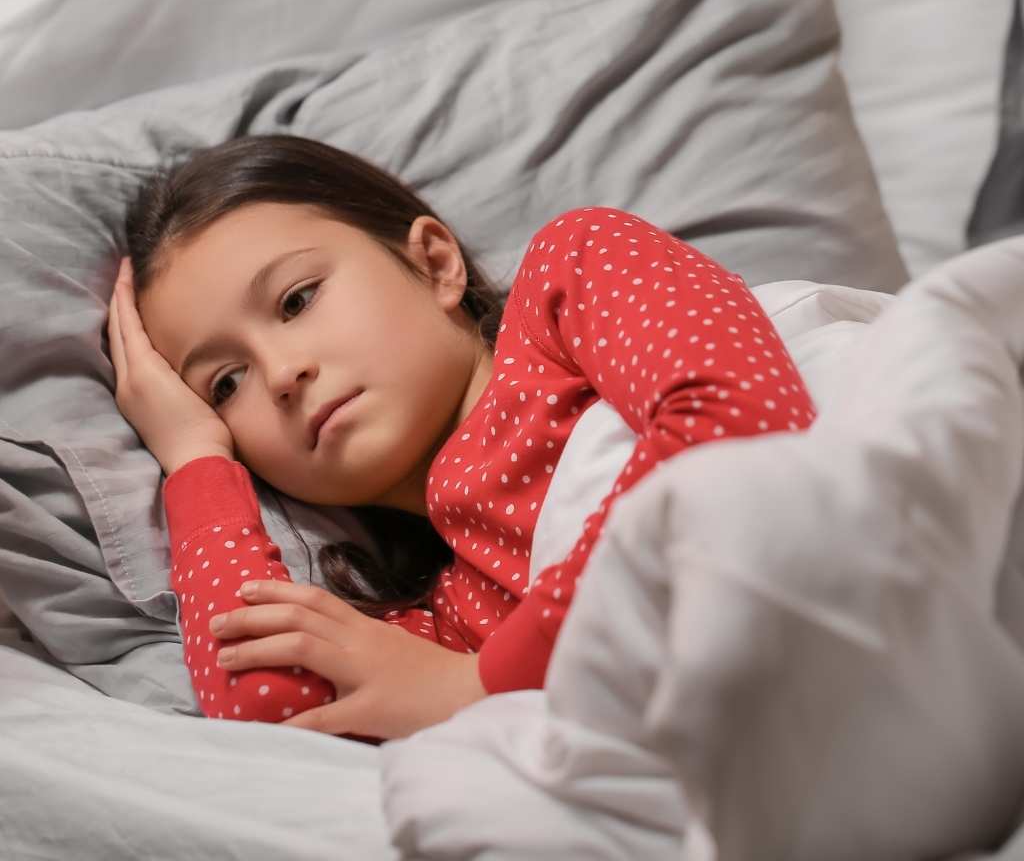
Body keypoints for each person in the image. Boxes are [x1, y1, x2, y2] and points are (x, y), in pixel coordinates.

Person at [107, 134, 817, 742]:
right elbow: (268, 704)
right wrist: (195, 461)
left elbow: (735, 434)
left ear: (434, 262)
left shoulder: (572, 271)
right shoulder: (456, 616)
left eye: (297, 300)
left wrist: (484, 682)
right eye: (226, 383)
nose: (283, 373)